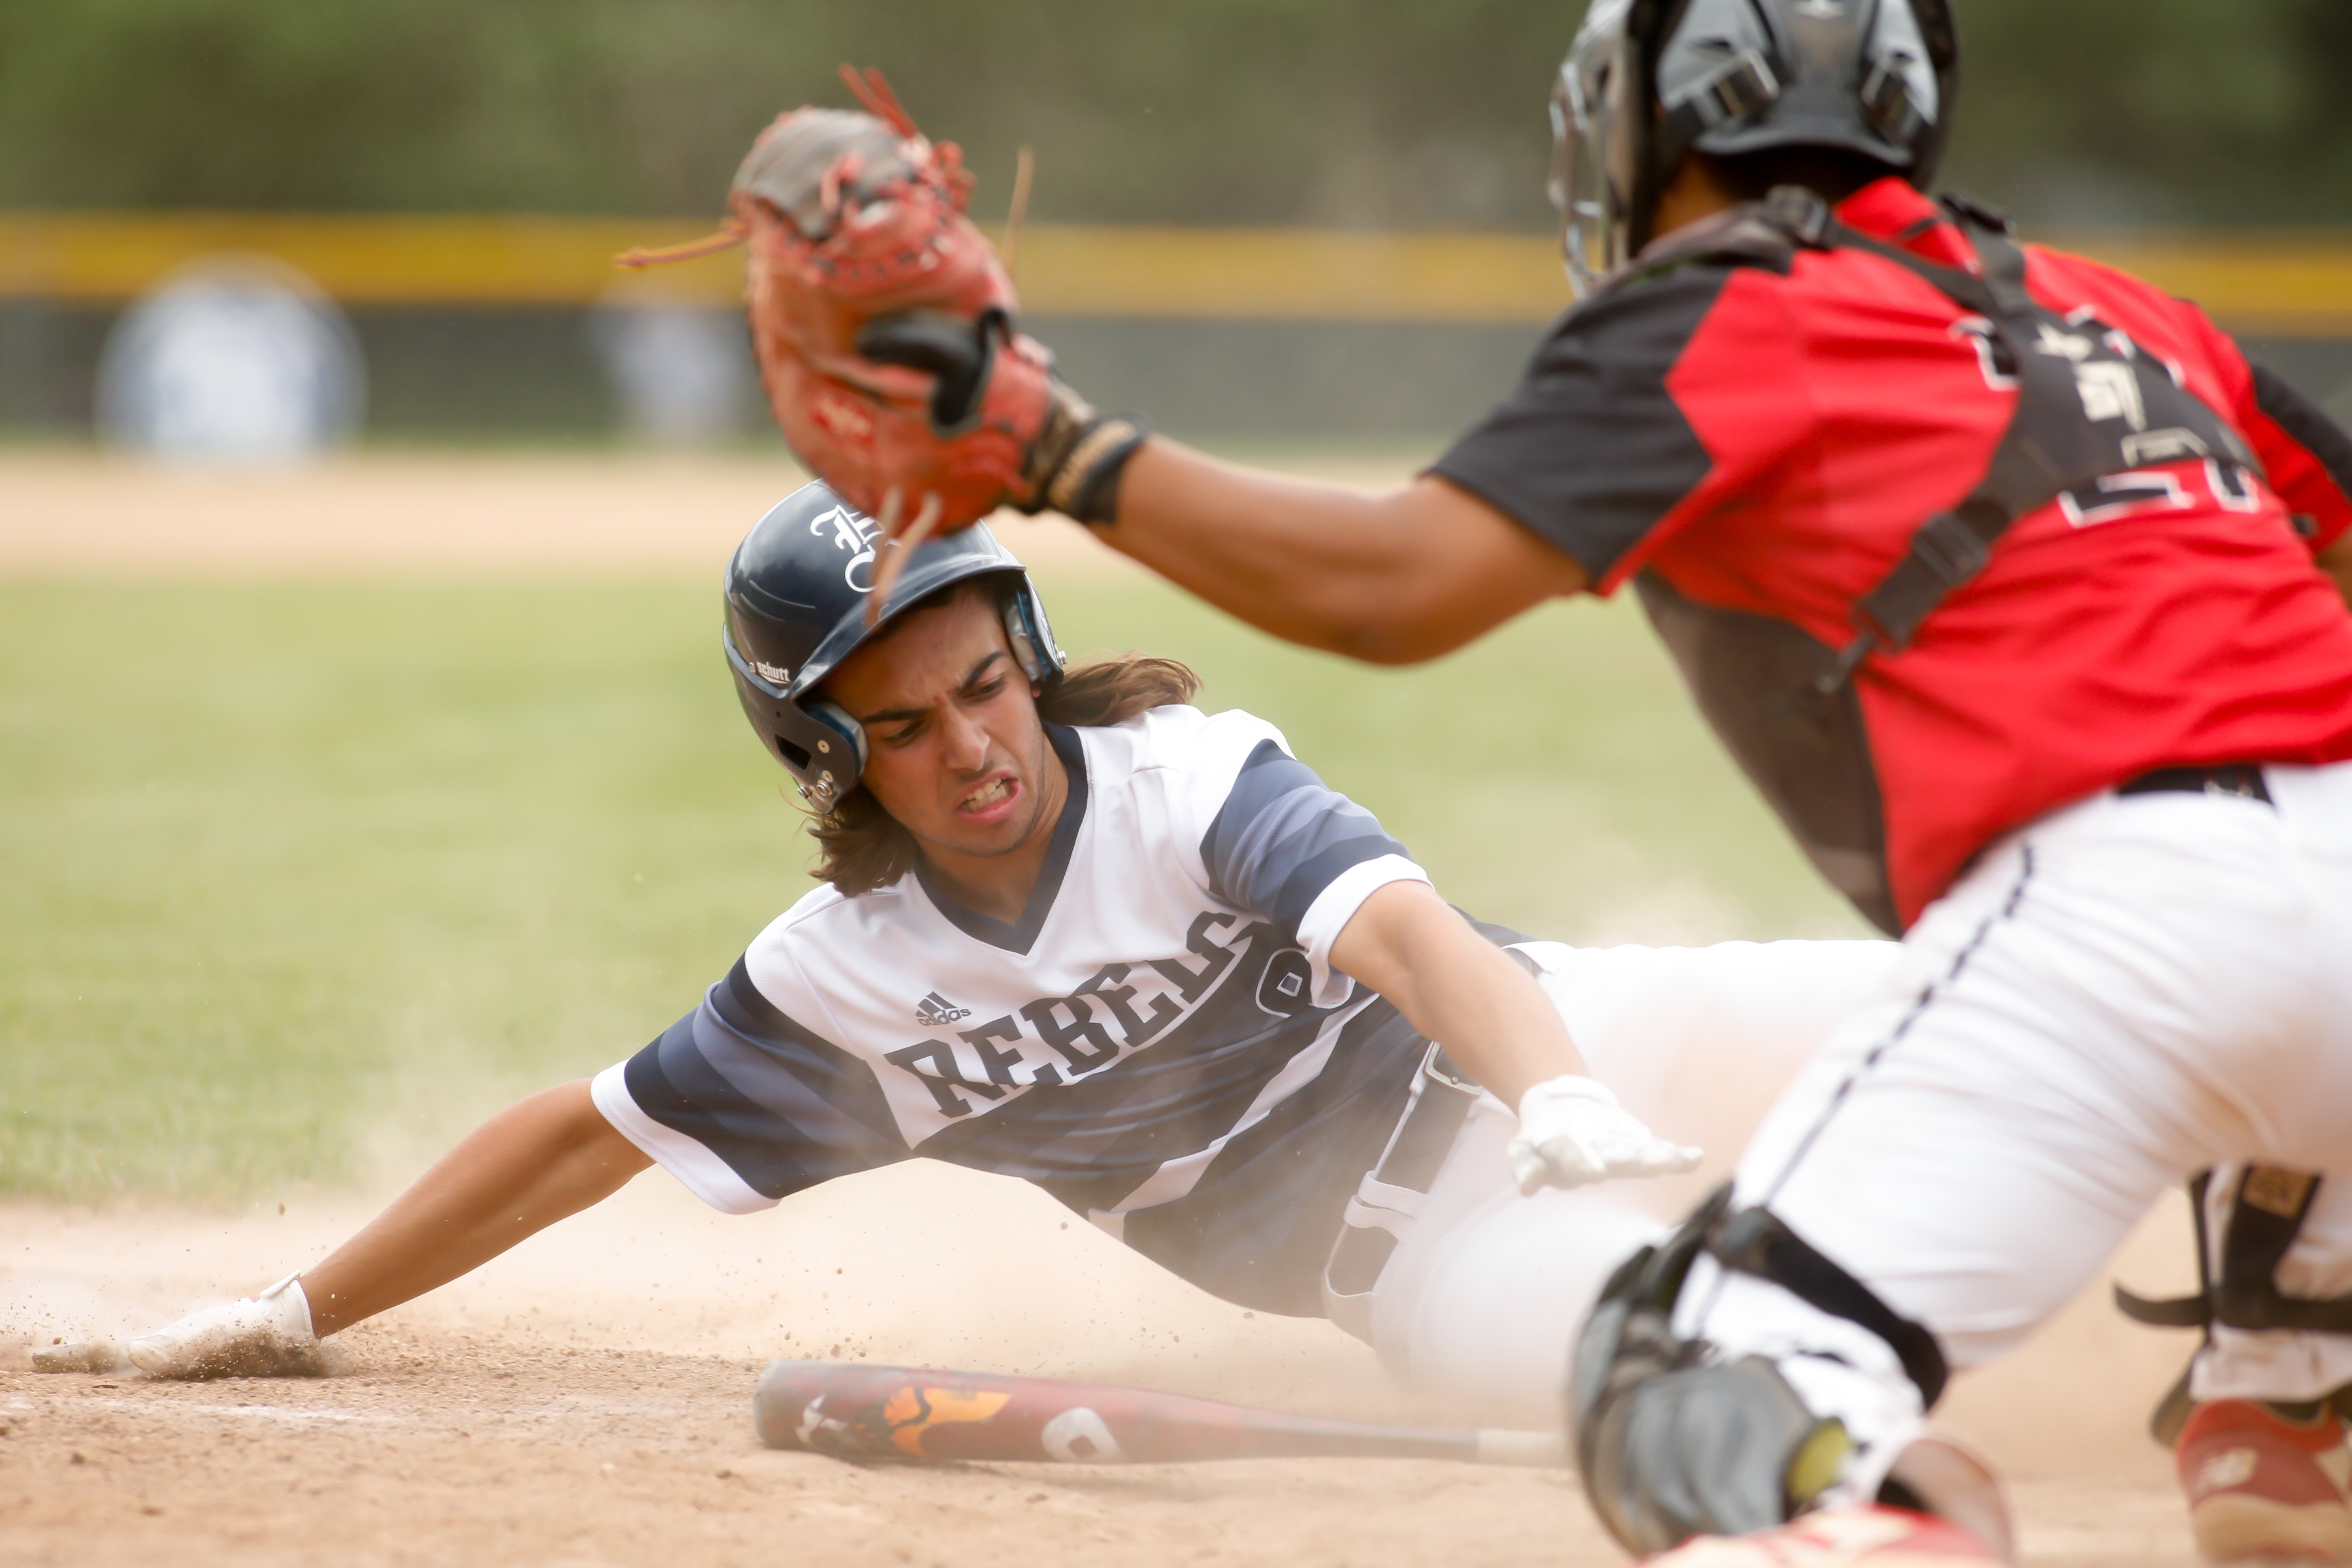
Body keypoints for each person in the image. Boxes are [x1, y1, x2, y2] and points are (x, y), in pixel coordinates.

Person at [738, 2, 2352, 1561]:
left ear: (1649, 118)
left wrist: (1050, 445)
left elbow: (1393, 586)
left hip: (2115, 923)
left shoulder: (1720, 304)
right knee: (2270, 1167)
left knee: (1699, 1400)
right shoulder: (2128, 313)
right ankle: (2279, 1376)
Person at [54, 482, 1897, 1430]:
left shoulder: (1186, 778)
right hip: (1428, 1266)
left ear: (1031, 650)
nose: (982, 743)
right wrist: (294, 1314)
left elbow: (1410, 940)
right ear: (828, 760)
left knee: (1922, 1015)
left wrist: (1560, 1082)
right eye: (911, 725)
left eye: (989, 682)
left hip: (1569, 1030)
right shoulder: (841, 988)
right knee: (1696, 1362)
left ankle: (2207, 1288)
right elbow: (580, 1135)